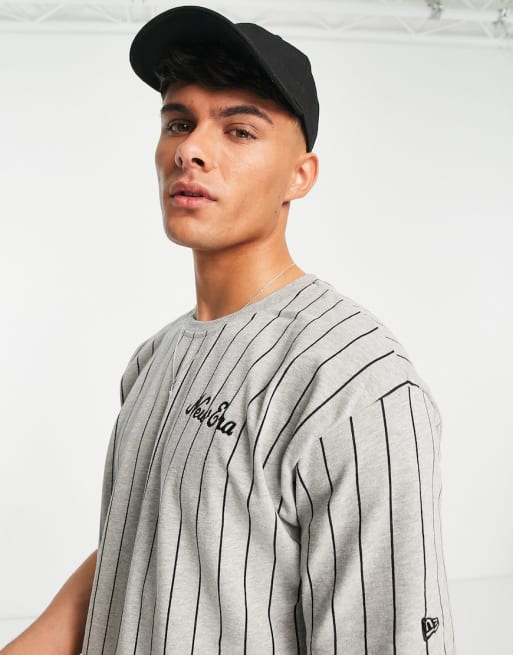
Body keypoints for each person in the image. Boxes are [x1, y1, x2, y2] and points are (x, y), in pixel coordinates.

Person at [1, 5, 456, 655]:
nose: (189, 149)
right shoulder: (154, 357)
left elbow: (390, 633)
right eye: (178, 122)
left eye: (239, 130)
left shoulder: (357, 386)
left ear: (300, 175)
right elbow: (140, 552)